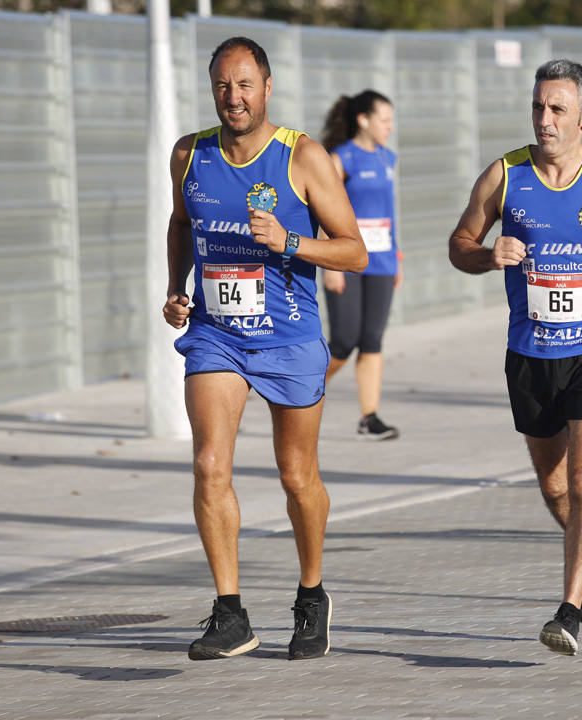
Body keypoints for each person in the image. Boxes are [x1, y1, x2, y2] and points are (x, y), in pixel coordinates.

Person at [448, 59, 582, 655]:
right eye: (538, 108)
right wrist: (487, 254)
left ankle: (567, 613)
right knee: (554, 489)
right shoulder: (504, 176)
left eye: (558, 110)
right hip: (530, 353)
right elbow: (459, 245)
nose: (544, 120)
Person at [161, 37, 368, 661]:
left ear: (267, 87)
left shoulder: (302, 157)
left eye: (245, 84)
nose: (234, 98)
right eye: (223, 86)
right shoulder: (189, 154)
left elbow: (354, 250)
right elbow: (180, 222)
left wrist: (288, 242)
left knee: (296, 474)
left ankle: (311, 594)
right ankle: (230, 614)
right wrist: (176, 289)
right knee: (208, 466)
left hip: (289, 337)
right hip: (218, 335)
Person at [319, 91, 401, 441]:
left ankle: (369, 417)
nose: (390, 127)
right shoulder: (341, 159)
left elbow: (388, 210)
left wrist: (397, 255)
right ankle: (297, 393)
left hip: (382, 260)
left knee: (371, 340)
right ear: (363, 120)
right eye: (384, 119)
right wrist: (329, 263)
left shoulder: (387, 158)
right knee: (343, 341)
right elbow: (323, 210)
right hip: (347, 261)